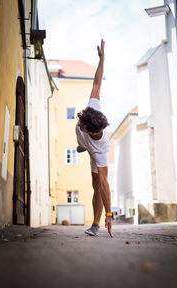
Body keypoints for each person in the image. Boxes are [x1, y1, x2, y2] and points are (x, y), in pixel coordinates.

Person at [76, 39, 113, 238]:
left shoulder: (100, 151)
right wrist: (102, 59)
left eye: (83, 126)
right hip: (86, 144)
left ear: (91, 131)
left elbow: (107, 185)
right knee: (96, 183)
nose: (79, 124)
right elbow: (97, 81)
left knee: (98, 185)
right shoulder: (93, 108)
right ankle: (81, 145)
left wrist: (109, 214)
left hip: (92, 150)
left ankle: (96, 224)